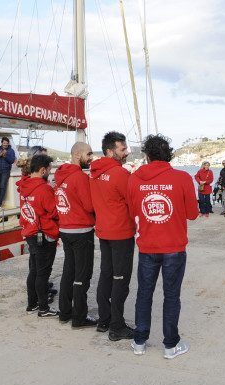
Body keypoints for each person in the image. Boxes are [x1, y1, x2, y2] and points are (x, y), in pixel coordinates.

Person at [126, 134, 199, 359]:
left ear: (146, 155)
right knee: (171, 296)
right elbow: (193, 214)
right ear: (168, 154)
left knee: (144, 294)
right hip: (174, 247)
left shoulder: (134, 179)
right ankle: (170, 346)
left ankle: (139, 342)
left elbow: (132, 213)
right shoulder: (183, 178)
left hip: (147, 246)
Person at [90, 131, 136, 341]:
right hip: (121, 233)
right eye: (123, 149)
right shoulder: (120, 174)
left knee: (106, 275)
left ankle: (104, 320)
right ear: (110, 151)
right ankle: (117, 326)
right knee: (120, 279)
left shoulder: (94, 172)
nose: (127, 152)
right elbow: (133, 202)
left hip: (104, 232)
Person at [54, 142, 97, 329]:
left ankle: (64, 312)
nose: (91, 158)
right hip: (81, 230)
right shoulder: (79, 177)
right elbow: (89, 206)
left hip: (65, 229)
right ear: (77, 154)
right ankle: (79, 317)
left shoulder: (60, 176)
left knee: (68, 272)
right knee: (82, 274)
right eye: (89, 154)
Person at [19, 154, 59, 317]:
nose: (49, 172)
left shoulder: (23, 186)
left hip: (30, 232)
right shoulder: (44, 189)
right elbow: (55, 212)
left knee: (34, 271)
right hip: (44, 235)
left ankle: (32, 304)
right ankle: (43, 308)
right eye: (49, 169)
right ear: (43, 170)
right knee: (43, 273)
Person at [0, 136, 16, 209]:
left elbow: (11, 161)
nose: (5, 145)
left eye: (7, 143)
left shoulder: (11, 151)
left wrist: (5, 156)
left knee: (2, 187)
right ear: (2, 143)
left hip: (5, 171)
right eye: (4, 143)